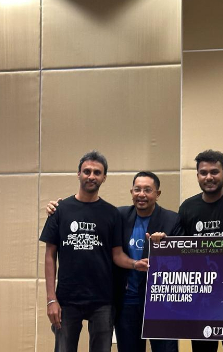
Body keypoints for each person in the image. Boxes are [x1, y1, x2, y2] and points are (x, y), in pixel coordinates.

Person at [46, 171, 182, 352]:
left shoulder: (172, 219)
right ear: (131, 192)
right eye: (137, 189)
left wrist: (167, 244)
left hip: (160, 303)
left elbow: (182, 262)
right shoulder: (119, 215)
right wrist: (58, 208)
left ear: (157, 194)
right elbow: (90, 216)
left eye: (147, 190)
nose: (141, 194)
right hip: (127, 303)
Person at [39, 150, 149, 352]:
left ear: (104, 177)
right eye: (87, 171)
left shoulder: (112, 213)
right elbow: (49, 256)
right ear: (78, 174)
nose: (91, 176)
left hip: (103, 300)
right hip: (67, 299)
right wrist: (51, 299)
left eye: (97, 172)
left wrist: (135, 264)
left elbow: (117, 255)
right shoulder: (60, 210)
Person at [152, 150, 223, 352]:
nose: (209, 177)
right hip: (201, 297)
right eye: (203, 173)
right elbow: (180, 248)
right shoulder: (188, 207)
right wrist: (164, 241)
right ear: (197, 176)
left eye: (214, 172)